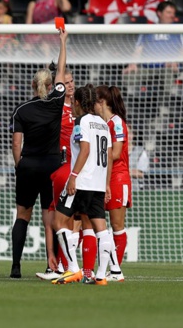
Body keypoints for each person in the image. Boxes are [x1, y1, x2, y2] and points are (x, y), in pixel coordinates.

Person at [9, 28, 68, 278]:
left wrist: (18, 165)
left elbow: (16, 143)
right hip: (52, 166)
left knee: (23, 214)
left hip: (29, 165)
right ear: (51, 84)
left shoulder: (22, 109)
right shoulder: (57, 102)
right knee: (51, 216)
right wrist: (62, 43)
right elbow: (62, 72)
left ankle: (15, 267)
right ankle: (51, 263)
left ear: (33, 85)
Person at [51, 84, 114, 285]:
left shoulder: (81, 121)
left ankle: (73, 269)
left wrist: (73, 175)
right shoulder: (104, 123)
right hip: (97, 183)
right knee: (101, 229)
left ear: (77, 102)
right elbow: (110, 157)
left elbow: (85, 149)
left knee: (58, 222)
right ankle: (102, 276)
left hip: (82, 181)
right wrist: (107, 185)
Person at [35, 67, 75, 281]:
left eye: (72, 81)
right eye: (66, 82)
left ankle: (69, 266)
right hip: (57, 167)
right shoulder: (55, 107)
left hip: (74, 169)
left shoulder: (79, 109)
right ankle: (55, 264)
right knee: (53, 219)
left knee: (73, 219)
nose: (70, 85)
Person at [95, 84, 130, 281]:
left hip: (117, 178)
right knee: (96, 223)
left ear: (102, 102)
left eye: (95, 103)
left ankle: (115, 270)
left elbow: (116, 153)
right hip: (102, 177)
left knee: (117, 225)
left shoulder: (117, 123)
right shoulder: (101, 123)